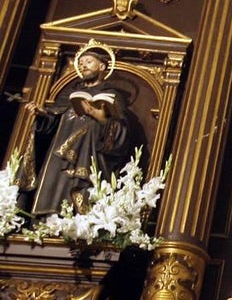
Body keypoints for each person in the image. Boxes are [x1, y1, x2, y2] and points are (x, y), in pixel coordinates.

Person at [21, 43, 146, 217]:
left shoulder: (112, 95)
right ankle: (42, 222)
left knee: (79, 193)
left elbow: (120, 132)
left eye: (89, 62)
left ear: (102, 67)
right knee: (51, 188)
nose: (83, 65)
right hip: (58, 158)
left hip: (89, 156)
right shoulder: (69, 94)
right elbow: (52, 125)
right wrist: (43, 115)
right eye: (81, 63)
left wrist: (100, 116)